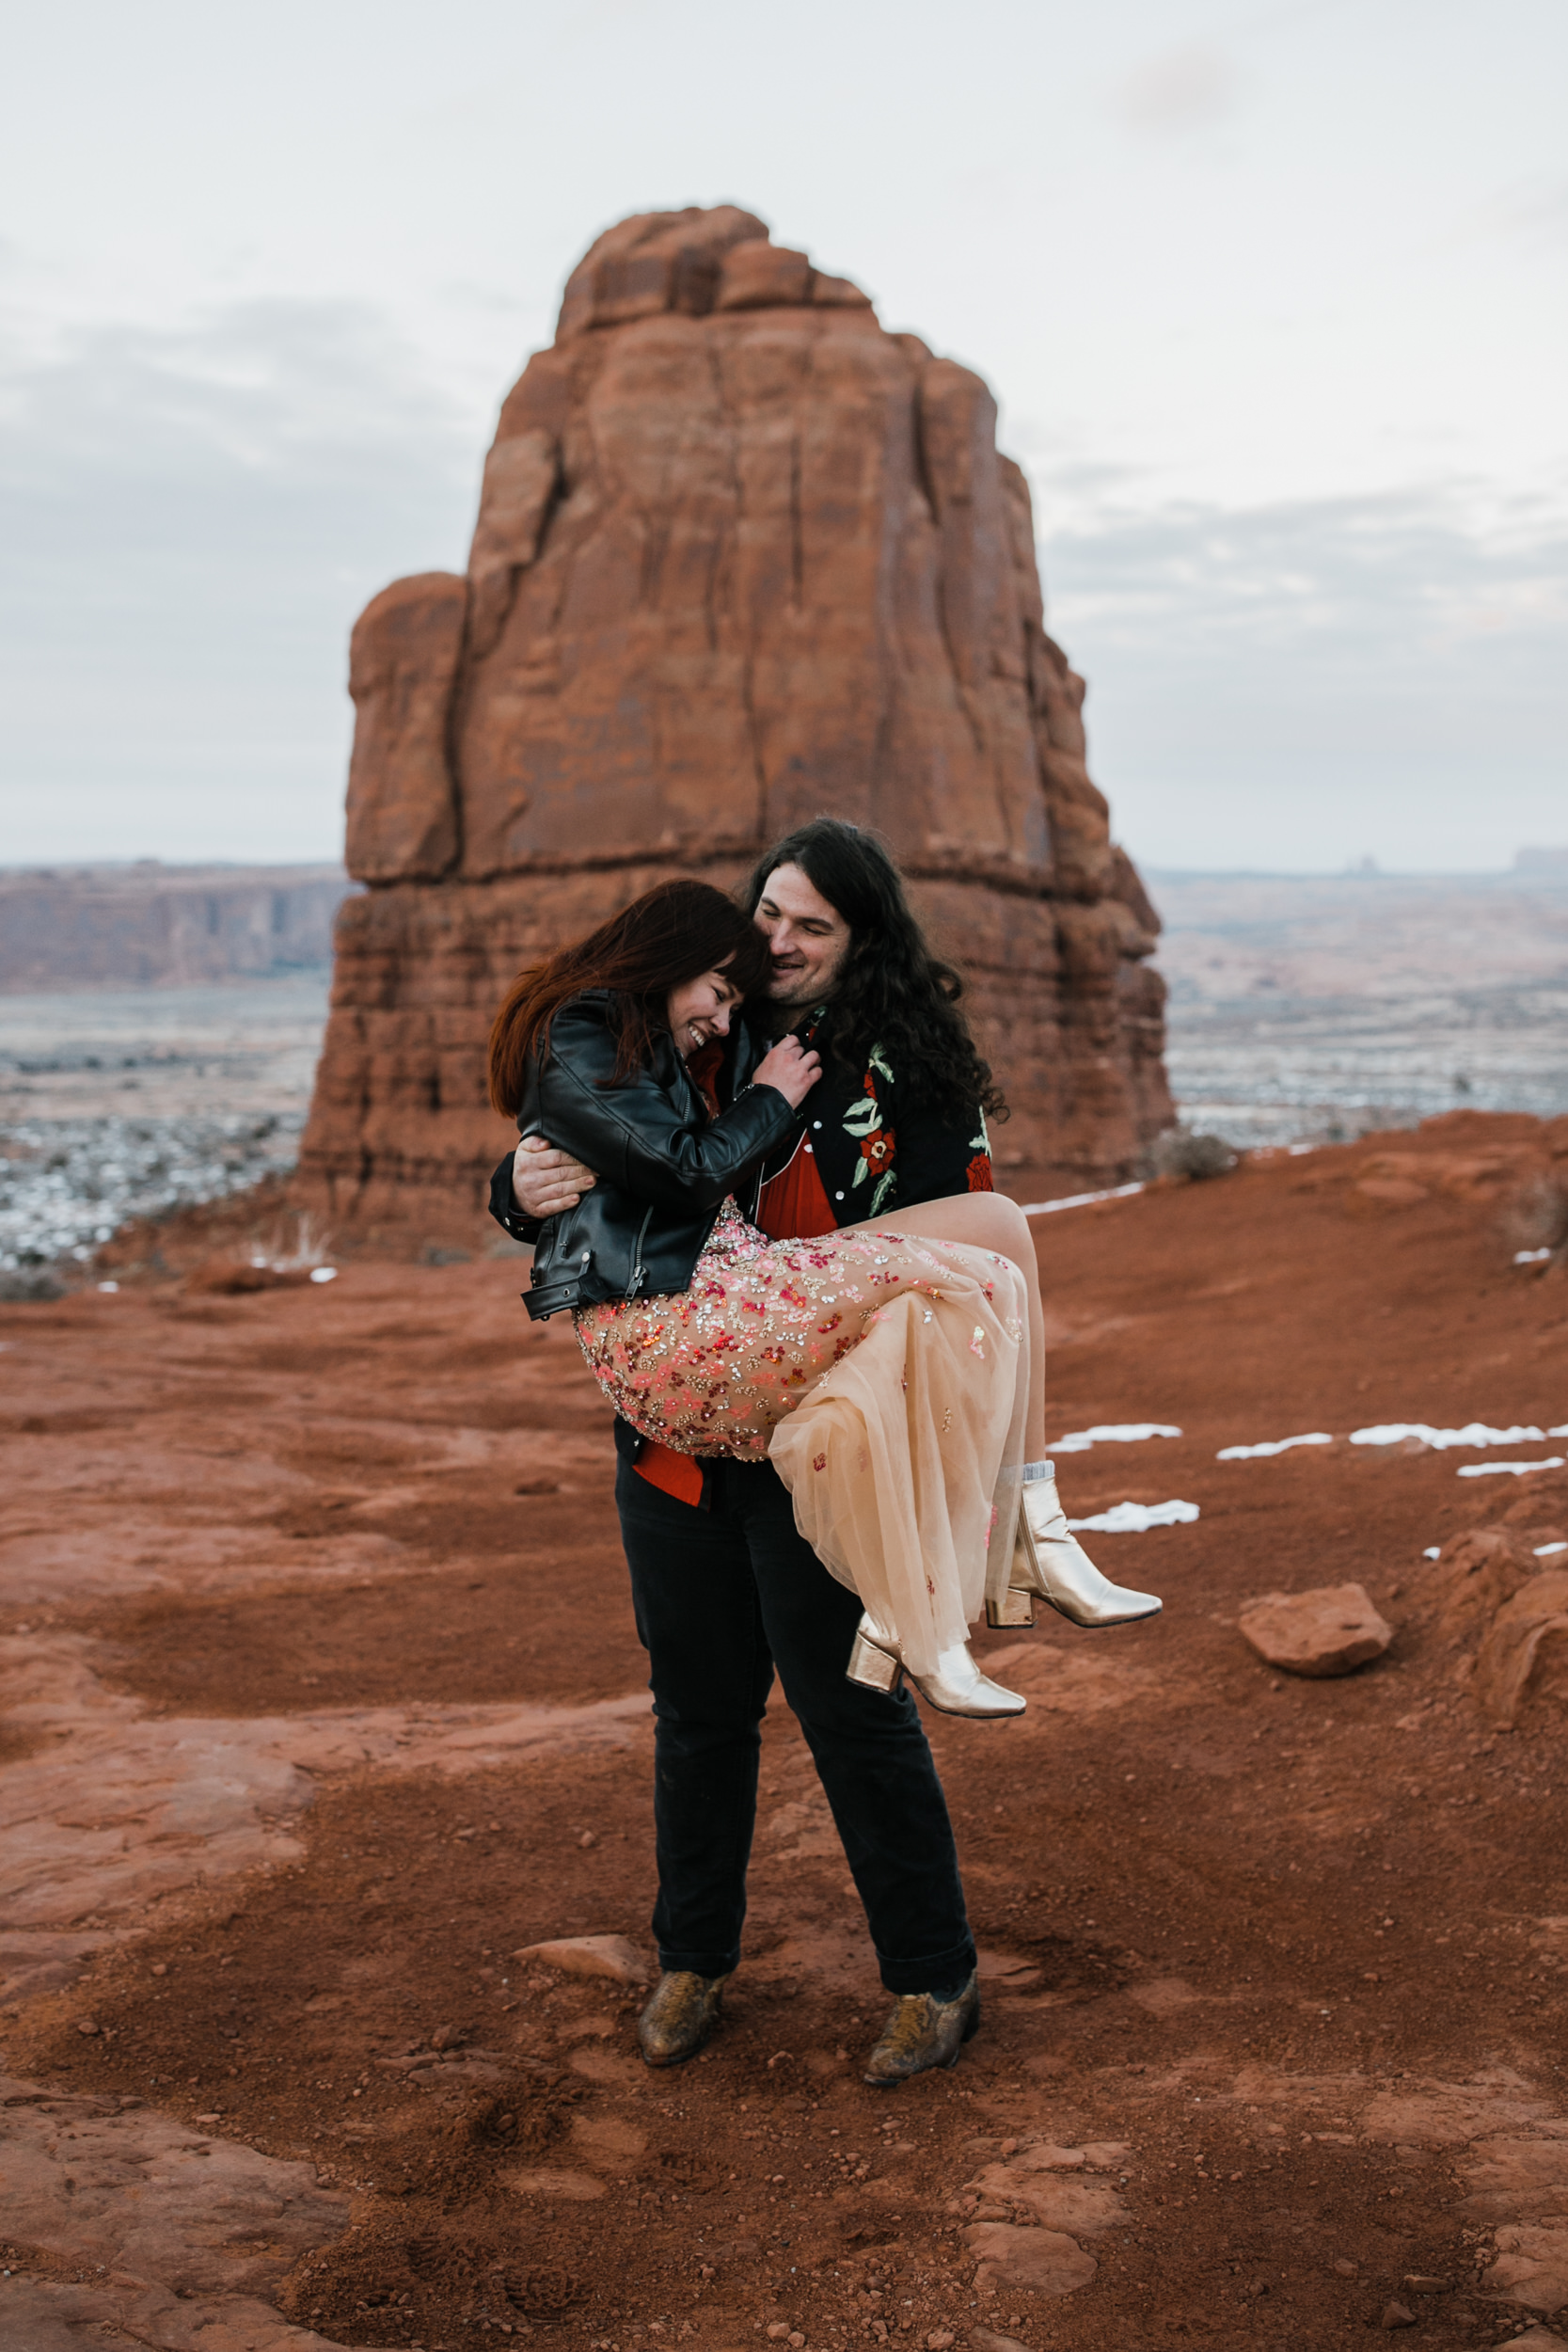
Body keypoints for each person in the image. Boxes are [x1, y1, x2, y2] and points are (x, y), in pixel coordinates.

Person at [490, 823, 1158, 2086]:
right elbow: (604, 1137)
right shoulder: (708, 1033)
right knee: (696, 1716)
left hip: (831, 1449)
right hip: (679, 1451)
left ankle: (930, 1976)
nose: (780, 944)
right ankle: (695, 1960)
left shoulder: (906, 1080)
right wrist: (513, 1181)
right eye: (770, 917)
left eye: (814, 926)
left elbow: (963, 1266)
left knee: (854, 1710)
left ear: (864, 941)